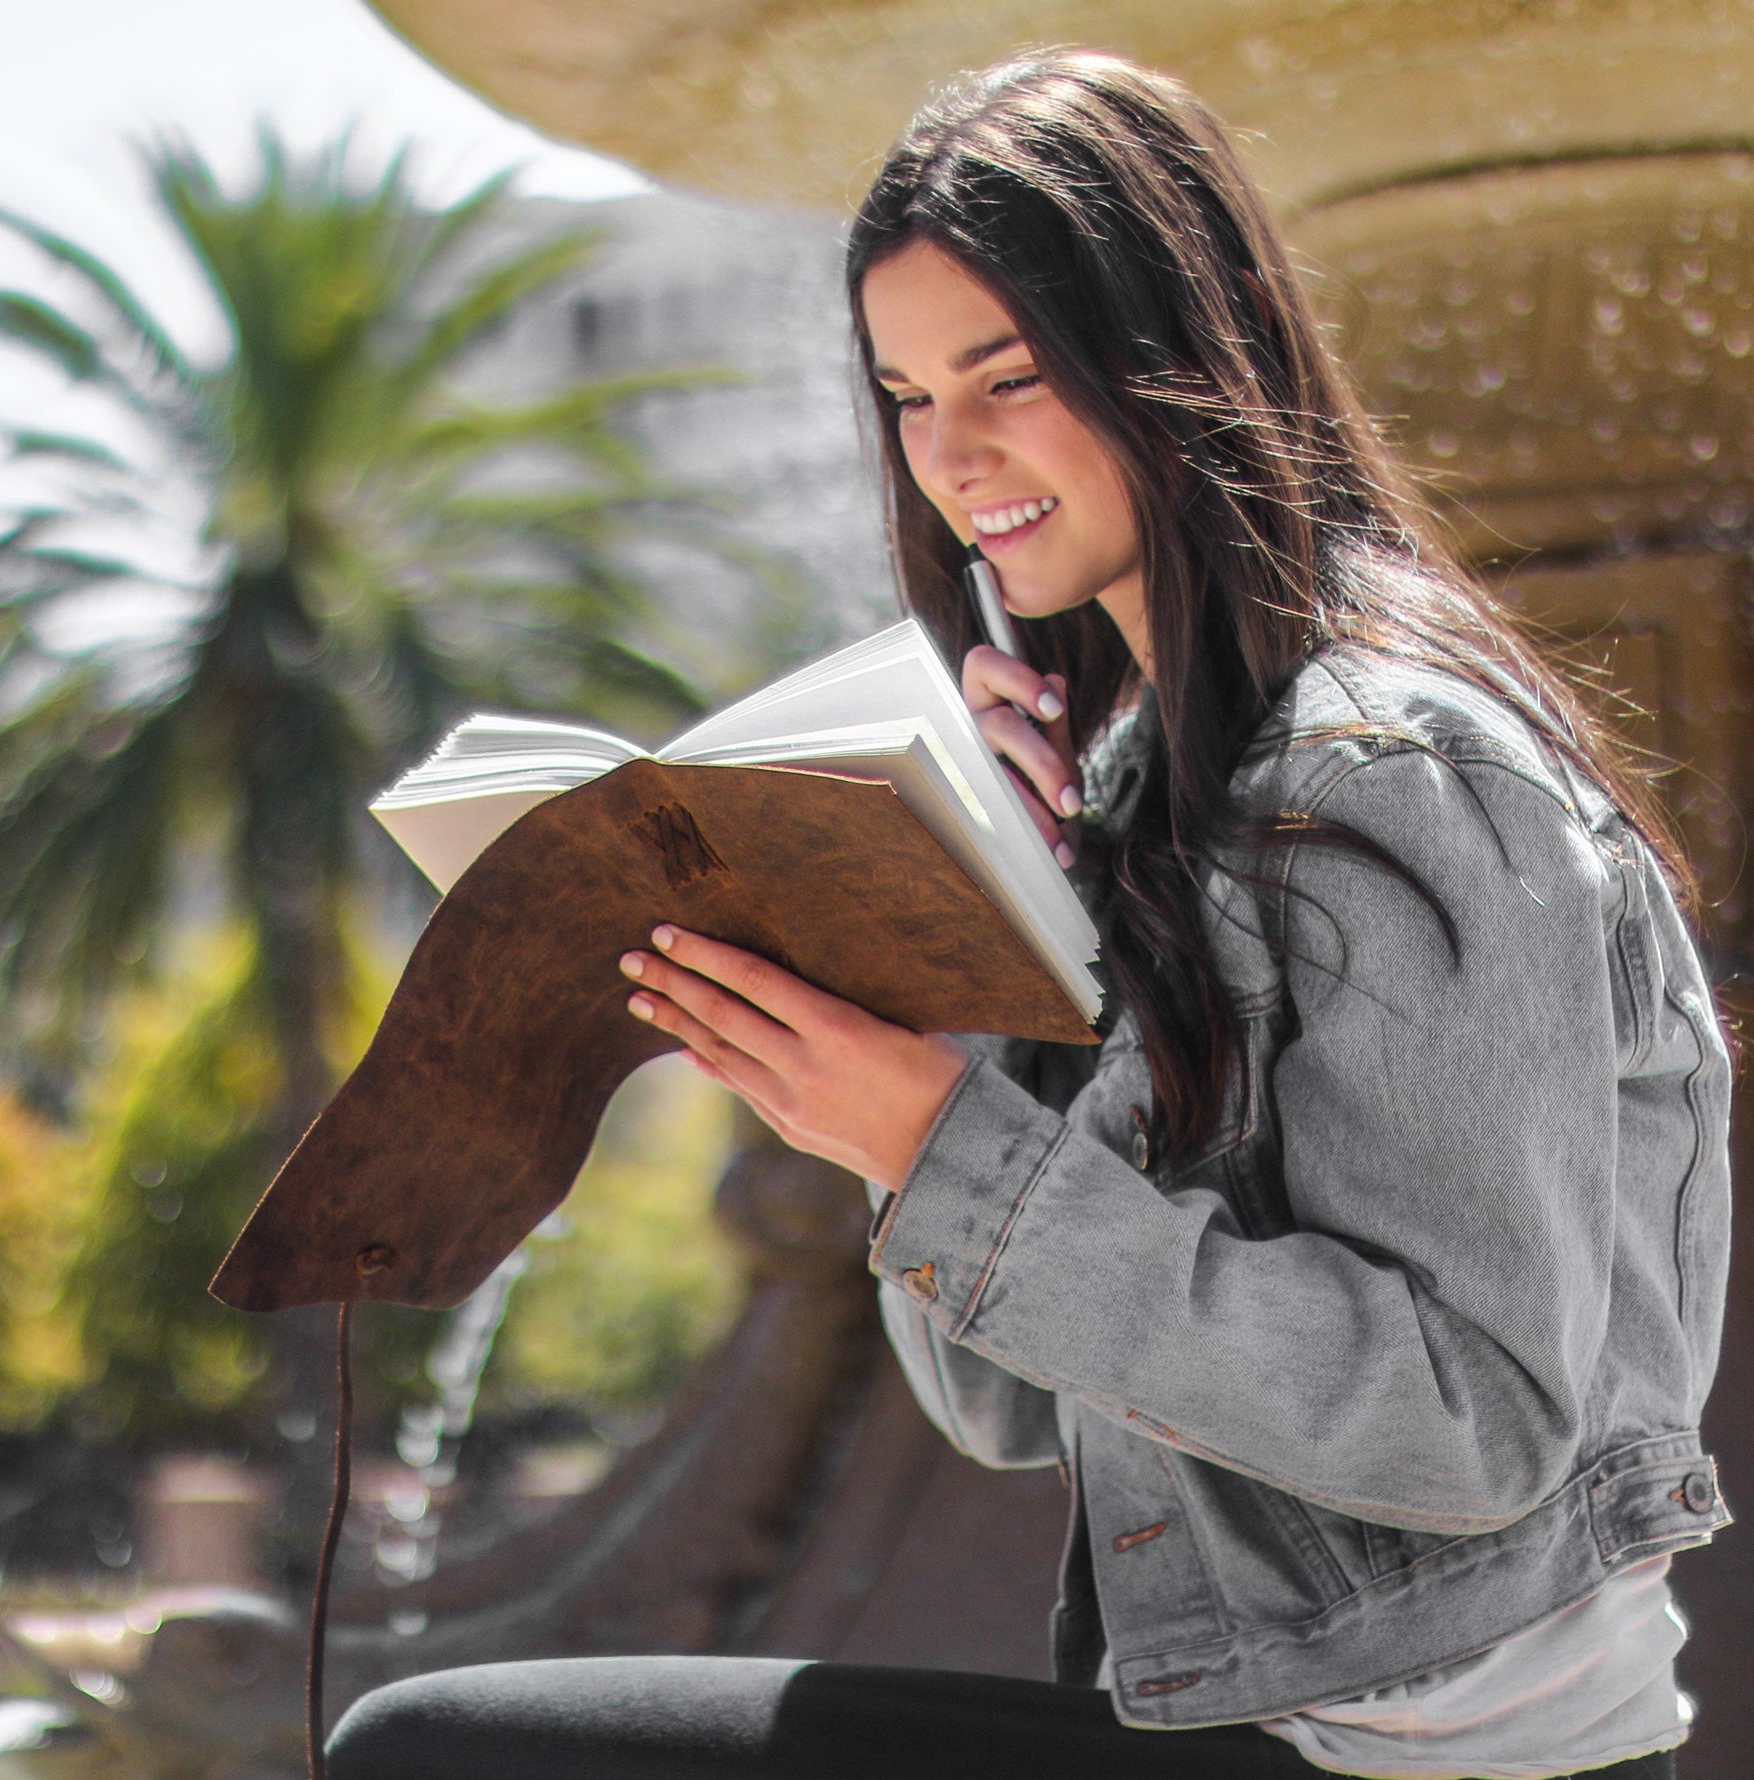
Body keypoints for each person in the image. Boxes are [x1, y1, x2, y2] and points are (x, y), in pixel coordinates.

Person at [327, 50, 1731, 1780]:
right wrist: (966, 949)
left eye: (1012, 375)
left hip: (1442, 1762)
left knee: (443, 1753)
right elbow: (998, 1408)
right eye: (910, 398)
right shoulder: (1143, 781)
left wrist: (938, 1147)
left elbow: (1475, 1421)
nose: (957, 456)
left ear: (1178, 359)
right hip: (1247, 1721)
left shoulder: (1395, 777)